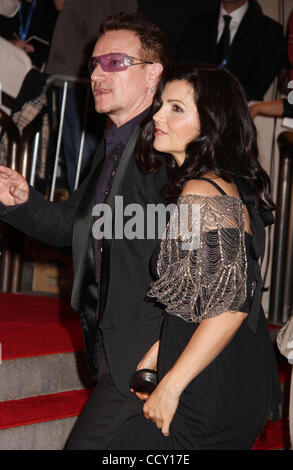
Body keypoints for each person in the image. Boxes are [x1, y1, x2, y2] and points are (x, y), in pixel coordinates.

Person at [0, 12, 171, 450]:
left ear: (152, 74)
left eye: (114, 62)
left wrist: (166, 353)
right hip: (115, 351)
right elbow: (71, 226)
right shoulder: (112, 147)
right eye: (94, 63)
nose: (96, 73)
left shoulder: (167, 150)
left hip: (149, 355)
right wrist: (19, 201)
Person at [105, 63, 283, 450]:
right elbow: (200, 295)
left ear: (210, 125)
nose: (157, 116)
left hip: (208, 388)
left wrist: (171, 385)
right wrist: (156, 355)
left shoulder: (201, 192)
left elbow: (232, 305)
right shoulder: (219, 184)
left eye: (176, 108)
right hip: (221, 376)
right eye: (162, 104)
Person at [175, 0, 288, 102]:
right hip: (192, 106)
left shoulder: (270, 31)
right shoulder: (196, 23)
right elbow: (181, 70)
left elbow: (257, 87)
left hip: (240, 111)